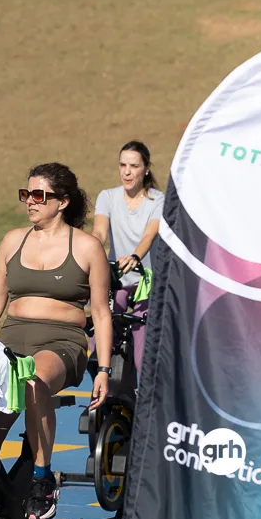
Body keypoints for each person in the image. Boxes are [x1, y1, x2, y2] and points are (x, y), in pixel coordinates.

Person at [0, 162, 113, 519]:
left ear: (62, 201)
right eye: (26, 194)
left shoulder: (87, 247)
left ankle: (42, 478)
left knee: (32, 381)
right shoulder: (12, 240)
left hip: (61, 343)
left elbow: (100, 313)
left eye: (39, 195)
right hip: (12, 338)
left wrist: (104, 369)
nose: (30, 202)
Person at [91, 140, 164, 373]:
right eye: (122, 165)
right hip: (118, 278)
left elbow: (149, 235)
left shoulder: (158, 200)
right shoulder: (107, 197)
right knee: (101, 333)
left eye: (134, 166)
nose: (127, 172)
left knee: (142, 339)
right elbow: (99, 233)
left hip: (147, 280)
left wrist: (135, 257)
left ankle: (145, 392)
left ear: (146, 169)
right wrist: (88, 252)